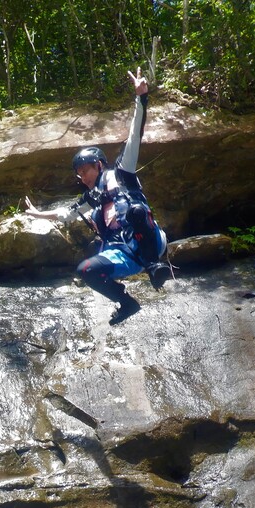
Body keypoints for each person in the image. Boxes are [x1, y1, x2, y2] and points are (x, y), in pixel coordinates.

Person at [24, 67, 170, 325]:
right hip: (121, 253)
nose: (82, 177)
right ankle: (126, 303)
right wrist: (38, 214)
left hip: (147, 241)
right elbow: (66, 215)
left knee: (135, 211)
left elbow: (134, 137)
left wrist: (141, 98)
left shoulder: (123, 171)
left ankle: (154, 267)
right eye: (78, 174)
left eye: (85, 171)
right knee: (85, 269)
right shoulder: (91, 198)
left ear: (99, 165)